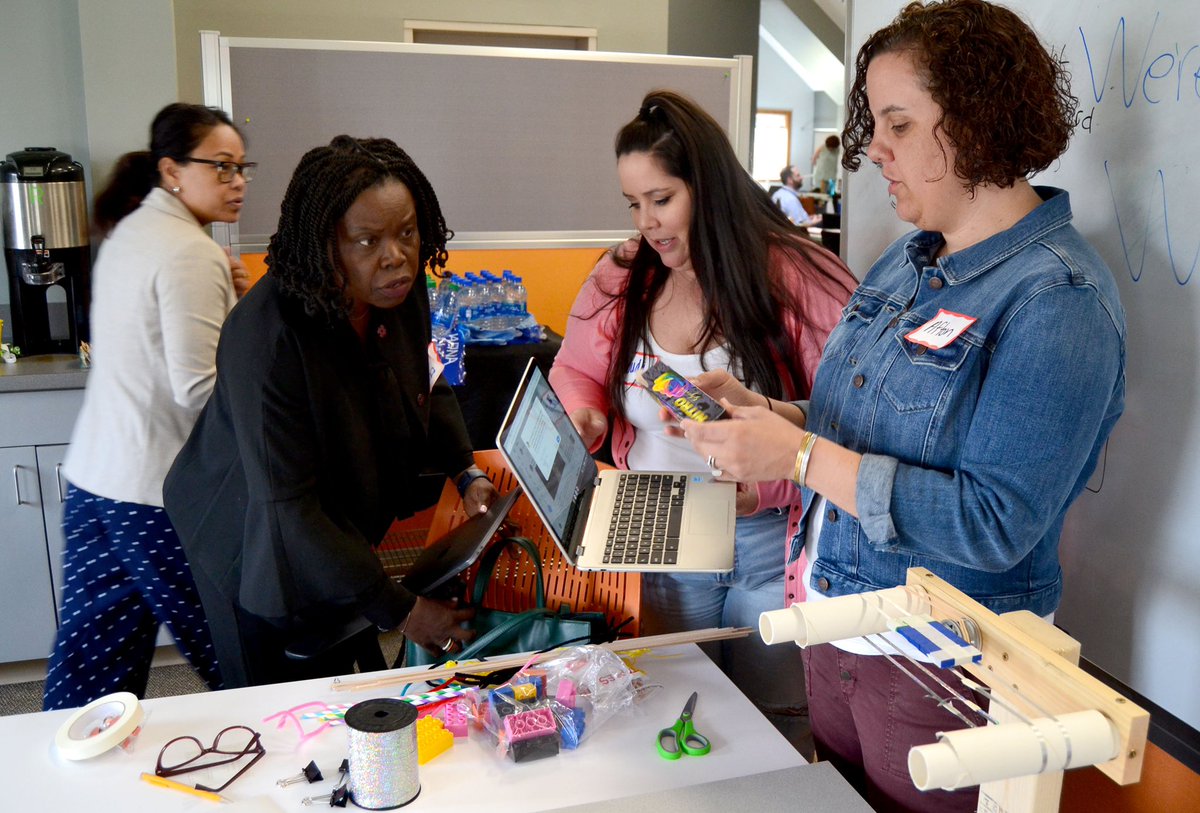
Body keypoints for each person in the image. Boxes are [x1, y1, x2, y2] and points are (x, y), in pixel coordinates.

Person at [675, 2, 1126, 810]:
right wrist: (776, 415)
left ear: (978, 124)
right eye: (875, 123)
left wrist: (800, 458)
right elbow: (870, 419)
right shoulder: (908, 260)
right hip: (835, 616)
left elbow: (994, 523)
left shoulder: (1057, 300)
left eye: (900, 124)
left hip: (943, 660)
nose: (874, 148)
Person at [549, 90, 856, 754]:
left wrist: (766, 485)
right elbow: (574, 368)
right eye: (633, 204)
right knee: (678, 709)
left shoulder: (801, 277)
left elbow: (849, 419)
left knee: (776, 721)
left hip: (769, 540)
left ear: (707, 187)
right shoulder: (624, 276)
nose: (648, 224)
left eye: (662, 199)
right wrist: (585, 413)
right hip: (660, 532)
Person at [163, 135, 498, 688]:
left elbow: (424, 378)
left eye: (407, 232)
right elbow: (290, 511)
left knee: (338, 668)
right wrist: (401, 611)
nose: (395, 256)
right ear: (325, 246)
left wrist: (465, 470)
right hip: (249, 532)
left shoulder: (395, 288)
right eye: (367, 241)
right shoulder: (266, 341)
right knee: (274, 704)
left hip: (326, 517)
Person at [43, 103, 254, 710]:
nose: (237, 182)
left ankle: (65, 762)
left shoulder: (130, 231)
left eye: (242, 167)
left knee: (92, 659)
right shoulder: (191, 251)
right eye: (221, 166)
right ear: (171, 169)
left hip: (96, 482)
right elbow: (199, 389)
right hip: (156, 495)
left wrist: (232, 304)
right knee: (234, 650)